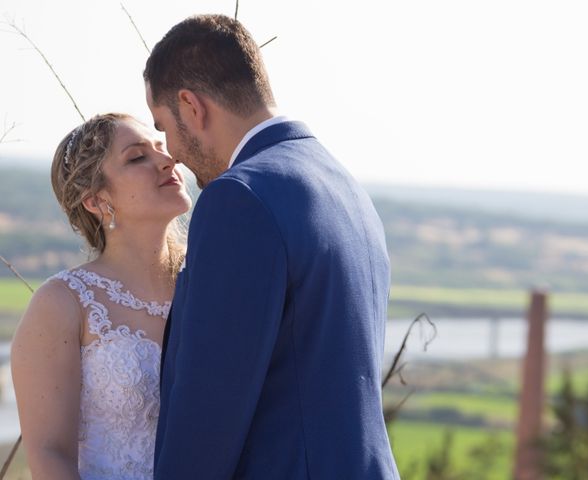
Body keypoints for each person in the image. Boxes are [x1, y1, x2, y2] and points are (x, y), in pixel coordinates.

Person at [145, 14, 400, 479]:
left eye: (164, 126)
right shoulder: (346, 188)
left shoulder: (238, 198)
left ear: (191, 106)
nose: (171, 153)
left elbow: (210, 408)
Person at [10, 113, 192, 480]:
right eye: (137, 157)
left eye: (161, 147)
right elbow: (49, 454)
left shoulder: (210, 281)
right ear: (96, 200)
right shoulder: (64, 303)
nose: (166, 160)